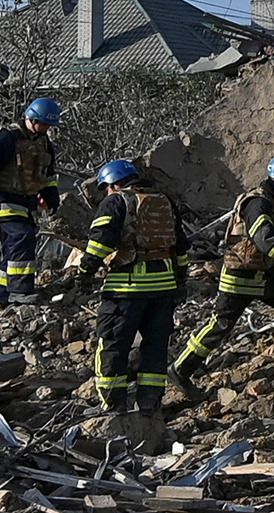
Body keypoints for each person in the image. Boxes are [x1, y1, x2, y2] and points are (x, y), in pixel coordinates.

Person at [171, 154, 274, 396]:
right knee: (220, 325)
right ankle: (180, 369)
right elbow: (264, 239)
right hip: (240, 278)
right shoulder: (258, 205)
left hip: (259, 275)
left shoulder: (270, 201)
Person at [76, 159, 189, 416]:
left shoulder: (116, 202)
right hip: (163, 288)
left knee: (113, 345)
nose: (107, 191)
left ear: (114, 184)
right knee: (155, 347)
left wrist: (84, 273)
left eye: (107, 187)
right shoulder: (163, 201)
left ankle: (112, 407)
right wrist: (180, 280)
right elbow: (180, 246)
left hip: (126, 289)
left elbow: (100, 243)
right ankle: (149, 405)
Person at [0, 98, 61, 305]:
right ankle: (20, 291)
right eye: (44, 124)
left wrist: (51, 194)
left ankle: (0, 295)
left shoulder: (44, 142)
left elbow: (48, 173)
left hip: (26, 202)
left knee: (14, 247)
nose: (47, 129)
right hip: (3, 199)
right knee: (23, 237)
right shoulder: (7, 138)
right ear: (31, 119)